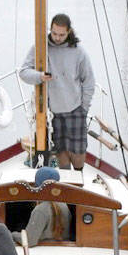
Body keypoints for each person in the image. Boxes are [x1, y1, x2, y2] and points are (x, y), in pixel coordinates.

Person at [19, 13, 95, 171]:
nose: (58, 38)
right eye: (54, 33)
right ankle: (66, 178)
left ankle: (79, 175)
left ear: (69, 32)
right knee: (60, 149)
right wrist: (39, 76)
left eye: (62, 34)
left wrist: (84, 108)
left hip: (75, 108)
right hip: (51, 111)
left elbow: (89, 81)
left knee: (78, 151)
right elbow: (24, 72)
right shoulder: (40, 48)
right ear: (50, 30)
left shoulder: (78, 51)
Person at [13, 166, 71, 246]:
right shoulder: (64, 205)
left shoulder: (40, 210)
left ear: (38, 186)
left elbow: (30, 241)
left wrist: (12, 234)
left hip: (44, 249)